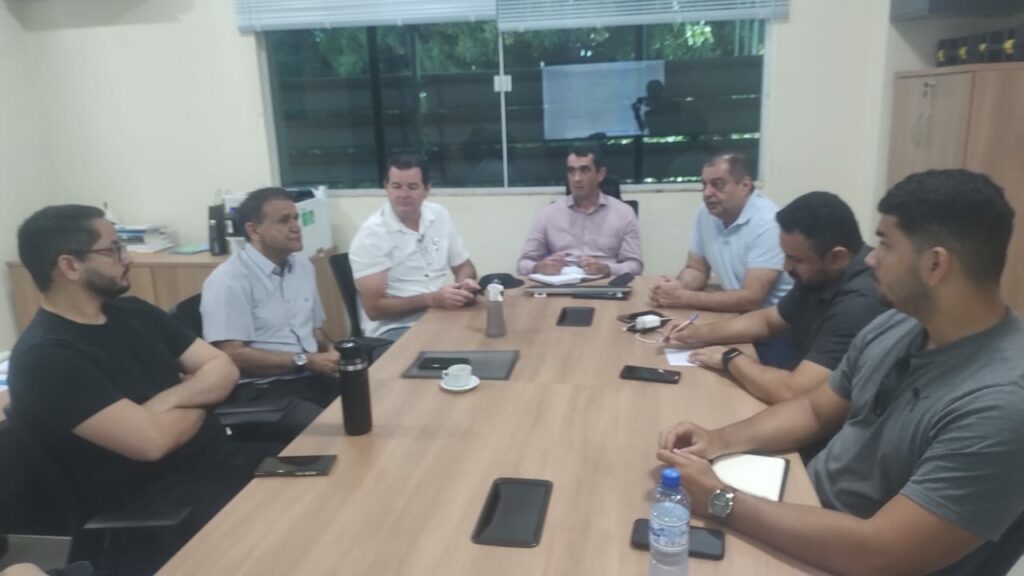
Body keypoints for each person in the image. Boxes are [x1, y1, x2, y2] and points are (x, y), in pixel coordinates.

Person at [657, 170, 1024, 575]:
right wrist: (717, 440)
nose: (869, 258)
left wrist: (719, 500)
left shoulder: (1003, 403)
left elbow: (881, 553)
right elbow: (815, 410)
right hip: (805, 507)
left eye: (885, 243)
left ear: (935, 264)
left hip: (851, 555)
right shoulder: (900, 324)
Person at [9, 205, 264, 574]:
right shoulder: (46, 358)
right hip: (161, 511)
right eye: (113, 250)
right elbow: (151, 442)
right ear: (69, 266)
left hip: (220, 466)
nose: (127, 259)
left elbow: (222, 367)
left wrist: (170, 398)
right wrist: (202, 395)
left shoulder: (134, 313)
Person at [663, 191, 887, 405]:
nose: (786, 266)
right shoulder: (820, 273)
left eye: (795, 259)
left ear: (837, 257)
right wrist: (696, 334)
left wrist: (730, 358)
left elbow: (792, 392)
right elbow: (768, 321)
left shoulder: (860, 302)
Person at [201, 188, 338, 413]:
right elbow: (230, 354)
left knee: (368, 392)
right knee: (327, 420)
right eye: (284, 221)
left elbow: (315, 332)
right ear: (253, 231)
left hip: (309, 375)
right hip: (263, 388)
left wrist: (334, 353)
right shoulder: (229, 280)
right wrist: (304, 361)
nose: (296, 227)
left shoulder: (302, 266)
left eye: (295, 218)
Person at [349, 154, 479, 340]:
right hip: (395, 328)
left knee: (486, 335)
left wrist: (463, 284)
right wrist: (431, 299)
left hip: (440, 314)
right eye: (396, 186)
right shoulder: (371, 236)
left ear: (427, 189)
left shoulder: (439, 215)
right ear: (386, 187)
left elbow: (465, 267)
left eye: (412, 187)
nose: (403, 195)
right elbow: (374, 309)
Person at [651, 152, 792, 313]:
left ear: (744, 186)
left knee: (686, 336)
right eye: (704, 185)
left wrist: (684, 298)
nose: (707, 193)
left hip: (772, 325)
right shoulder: (706, 212)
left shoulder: (768, 223)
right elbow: (697, 269)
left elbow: (751, 299)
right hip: (735, 315)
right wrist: (676, 288)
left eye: (717, 185)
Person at [517, 145, 643, 277]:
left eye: (584, 170)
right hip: (560, 286)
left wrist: (607, 269)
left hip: (605, 284)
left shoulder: (624, 213)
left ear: (600, 174)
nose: (576, 178)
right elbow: (523, 264)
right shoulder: (549, 213)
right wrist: (538, 267)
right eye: (571, 171)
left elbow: (635, 265)